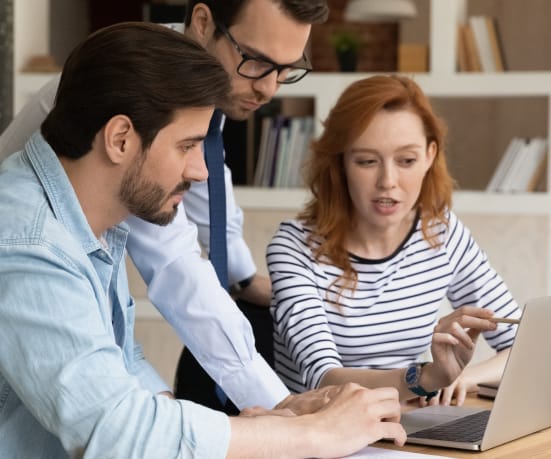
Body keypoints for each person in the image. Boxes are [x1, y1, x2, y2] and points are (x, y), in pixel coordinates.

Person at [0, 22, 406, 458]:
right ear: (120, 139)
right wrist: (315, 435)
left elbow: (122, 370)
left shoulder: (92, 220)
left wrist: (266, 425)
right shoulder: (31, 242)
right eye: (187, 146)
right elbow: (114, 430)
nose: (201, 171)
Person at [0, 0, 328, 414]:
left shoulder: (199, 81)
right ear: (203, 22)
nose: (269, 88)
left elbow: (210, 176)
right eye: (259, 62)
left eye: (286, 69)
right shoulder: (138, 100)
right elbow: (177, 268)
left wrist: (242, 274)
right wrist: (284, 410)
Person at [267, 75, 522, 406]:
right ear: (340, 162)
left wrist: (459, 378)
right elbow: (324, 379)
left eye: (406, 160)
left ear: (430, 155)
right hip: (320, 436)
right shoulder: (294, 248)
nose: (388, 181)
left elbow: (523, 344)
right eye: (367, 161)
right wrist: (425, 378)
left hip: (409, 428)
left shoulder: (443, 234)